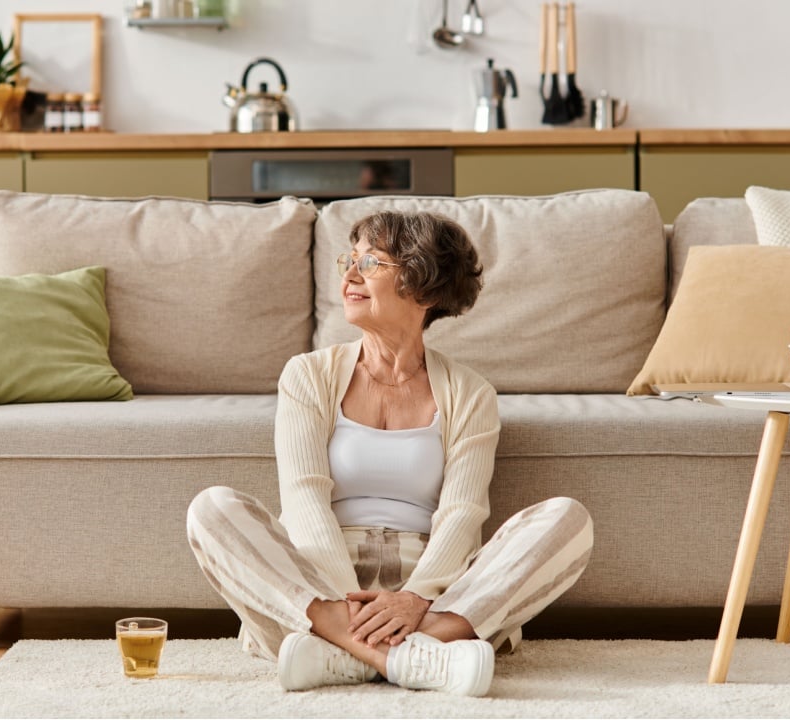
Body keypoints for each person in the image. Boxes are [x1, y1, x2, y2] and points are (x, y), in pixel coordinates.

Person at [186, 210, 593, 697]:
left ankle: (340, 653)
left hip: (431, 589)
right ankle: (407, 655)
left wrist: (417, 598)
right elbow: (303, 499)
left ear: (424, 288)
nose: (350, 275)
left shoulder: (471, 393)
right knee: (211, 509)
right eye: (350, 260)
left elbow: (462, 514)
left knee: (569, 521)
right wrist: (347, 605)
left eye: (372, 262)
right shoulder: (307, 374)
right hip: (319, 582)